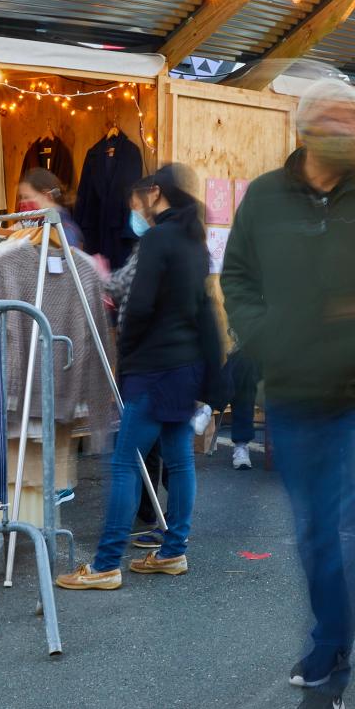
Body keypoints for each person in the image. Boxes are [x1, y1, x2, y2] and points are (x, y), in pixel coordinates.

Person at [221, 79, 355, 709]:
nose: (345, 128)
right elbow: (236, 279)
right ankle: (327, 637)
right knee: (314, 534)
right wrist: (266, 337)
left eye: (353, 118)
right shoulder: (264, 198)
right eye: (330, 117)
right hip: (292, 395)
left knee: (350, 532)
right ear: (302, 126)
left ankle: (329, 677)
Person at [55, 163, 223, 589]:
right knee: (180, 461)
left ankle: (105, 564)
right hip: (185, 367)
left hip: (152, 369)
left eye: (145, 194)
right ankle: (173, 551)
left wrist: (126, 358)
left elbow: (140, 306)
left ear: (156, 193)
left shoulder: (157, 240)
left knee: (124, 464)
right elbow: (203, 310)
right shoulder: (194, 240)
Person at [14, 167, 85, 250]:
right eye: (21, 197)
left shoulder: (64, 229)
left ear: (47, 196)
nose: (22, 202)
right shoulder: (39, 223)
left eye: (27, 197)